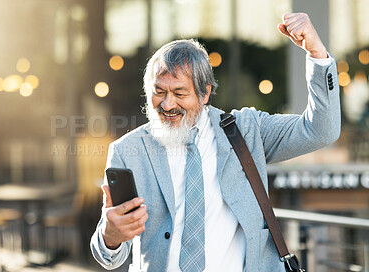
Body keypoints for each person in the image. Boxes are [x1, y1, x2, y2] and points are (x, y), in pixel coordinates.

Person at [90, 13, 340, 272]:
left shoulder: (247, 130)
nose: (167, 104)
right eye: (159, 92)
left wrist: (317, 54)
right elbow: (110, 258)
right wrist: (111, 237)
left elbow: (321, 130)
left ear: (205, 93)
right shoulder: (127, 151)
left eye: (179, 93)